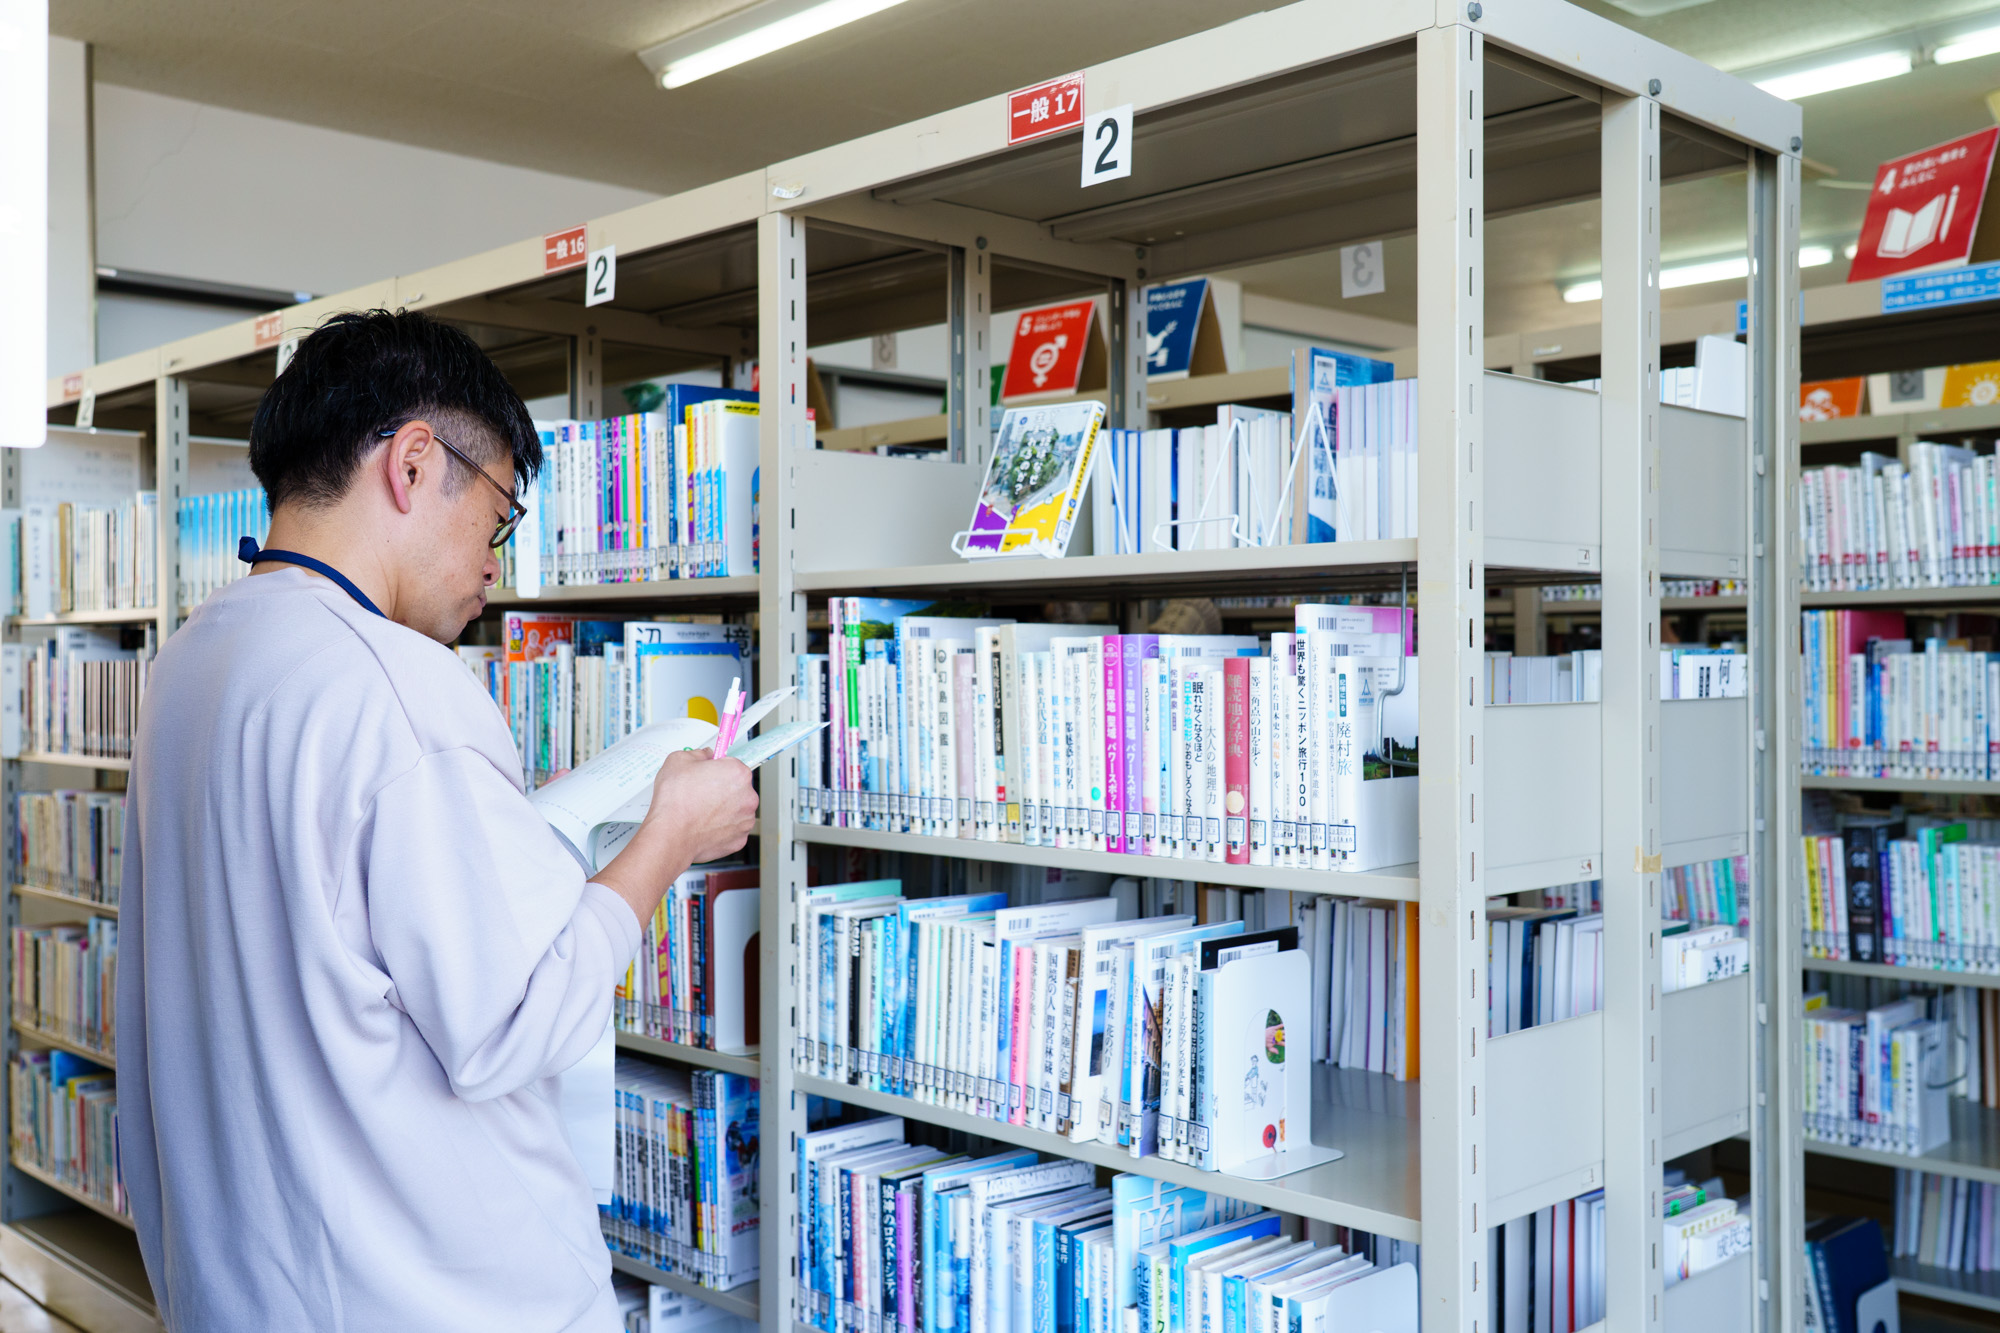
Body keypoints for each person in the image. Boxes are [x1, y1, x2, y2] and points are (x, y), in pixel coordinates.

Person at [116, 308, 759, 1331]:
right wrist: (666, 839)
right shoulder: (399, 686)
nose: (494, 563)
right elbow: (516, 1024)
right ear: (413, 464)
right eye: (499, 514)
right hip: (431, 1295)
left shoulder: (192, 659)